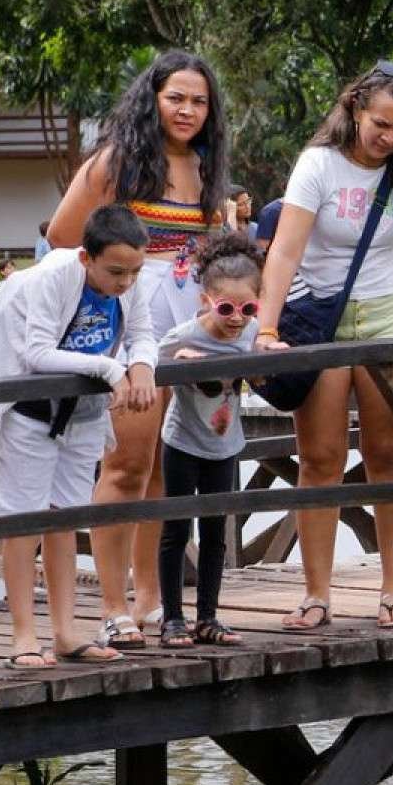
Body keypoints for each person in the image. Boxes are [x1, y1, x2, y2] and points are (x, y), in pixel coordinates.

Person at [252, 60, 393, 631]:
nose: (388, 138)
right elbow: (284, 252)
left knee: (390, 455)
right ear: (355, 109)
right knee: (320, 458)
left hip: (389, 317)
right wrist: (266, 330)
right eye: (381, 124)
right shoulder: (318, 165)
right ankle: (315, 594)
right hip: (320, 321)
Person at [46, 50, 232, 649]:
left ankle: (151, 597)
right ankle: (111, 606)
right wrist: (110, 295)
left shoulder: (205, 167)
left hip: (191, 326)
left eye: (199, 101)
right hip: (131, 320)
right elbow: (63, 236)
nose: (187, 110)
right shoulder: (116, 163)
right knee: (126, 465)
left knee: (164, 469)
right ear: (153, 99)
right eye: (176, 97)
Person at [0, 204, 162, 668]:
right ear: (86, 258)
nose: (125, 282)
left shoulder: (129, 283)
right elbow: (36, 352)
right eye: (115, 272)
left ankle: (65, 631)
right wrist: (110, 368)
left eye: (134, 272)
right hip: (29, 408)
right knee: (24, 521)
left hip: (82, 412)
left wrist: (141, 366)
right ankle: (23, 636)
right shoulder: (53, 278)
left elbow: (142, 334)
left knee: (65, 518)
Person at [152, 230, 263, 645]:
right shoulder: (185, 335)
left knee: (216, 533)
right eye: (226, 308)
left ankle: (209, 617)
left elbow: (263, 360)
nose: (236, 318)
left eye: (247, 308)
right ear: (206, 301)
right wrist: (177, 362)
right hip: (183, 441)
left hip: (225, 444)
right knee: (176, 531)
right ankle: (172, 618)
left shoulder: (251, 333)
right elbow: (150, 360)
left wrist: (267, 357)